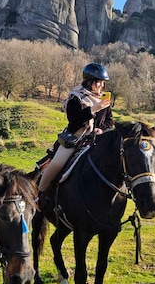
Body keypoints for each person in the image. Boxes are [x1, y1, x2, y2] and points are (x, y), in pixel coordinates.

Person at [37, 62, 114, 202]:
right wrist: (92, 110)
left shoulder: (103, 99)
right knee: (56, 164)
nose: (101, 86)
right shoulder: (76, 97)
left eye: (103, 83)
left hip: (97, 139)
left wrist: (101, 129)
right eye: (98, 82)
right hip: (76, 137)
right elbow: (74, 120)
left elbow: (110, 120)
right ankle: (39, 194)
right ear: (89, 81)